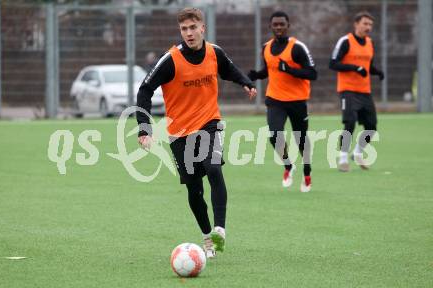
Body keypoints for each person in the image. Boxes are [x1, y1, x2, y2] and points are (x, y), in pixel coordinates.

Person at [136, 7, 256, 258]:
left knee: (214, 167)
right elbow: (145, 90)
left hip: (209, 123)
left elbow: (229, 69)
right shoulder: (170, 59)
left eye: (193, 27)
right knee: (194, 190)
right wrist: (144, 129)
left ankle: (219, 229)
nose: (189, 33)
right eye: (184, 29)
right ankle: (206, 238)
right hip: (180, 133)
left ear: (203, 28)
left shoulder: (215, 53)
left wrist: (245, 82)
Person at [248, 11, 317, 192]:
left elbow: (312, 73)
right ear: (270, 26)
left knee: (300, 139)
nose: (278, 27)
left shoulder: (297, 47)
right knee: (274, 135)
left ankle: (307, 172)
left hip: (297, 101)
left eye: (282, 24)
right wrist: (256, 75)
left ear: (288, 26)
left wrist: (290, 69)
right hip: (275, 99)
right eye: (275, 24)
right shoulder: (266, 47)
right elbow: (269, 70)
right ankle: (288, 166)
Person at [329, 11, 384, 172]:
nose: (368, 27)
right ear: (356, 24)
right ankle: (343, 158)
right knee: (350, 122)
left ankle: (358, 153)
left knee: (372, 126)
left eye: (370, 25)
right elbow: (333, 63)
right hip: (347, 90)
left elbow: (368, 67)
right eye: (365, 23)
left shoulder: (370, 43)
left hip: (364, 91)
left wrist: (377, 72)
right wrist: (354, 68)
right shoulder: (345, 41)